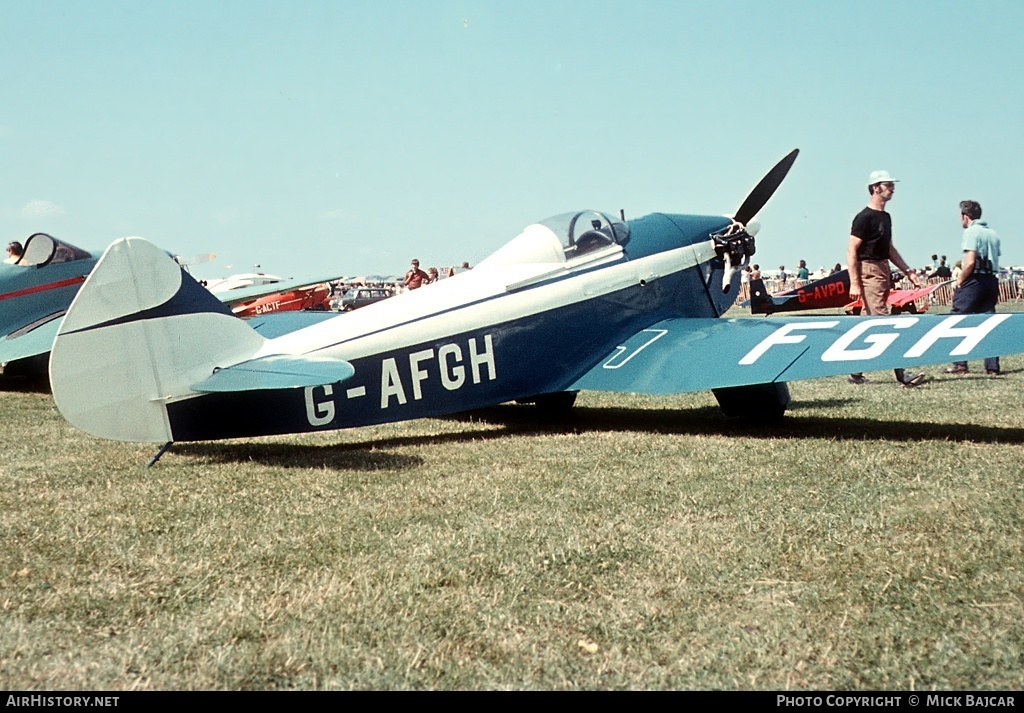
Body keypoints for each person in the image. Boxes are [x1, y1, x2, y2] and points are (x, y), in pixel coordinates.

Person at [847, 170, 924, 387]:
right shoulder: (864, 217)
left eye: (892, 185)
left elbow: (889, 248)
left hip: (882, 269)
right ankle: (902, 373)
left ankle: (854, 373)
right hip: (869, 270)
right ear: (875, 188)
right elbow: (852, 249)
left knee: (868, 321)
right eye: (888, 185)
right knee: (882, 320)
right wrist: (854, 281)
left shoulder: (885, 217)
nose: (892, 189)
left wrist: (908, 270)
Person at [944, 200, 1001, 375]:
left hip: (974, 279)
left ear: (964, 216)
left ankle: (959, 363)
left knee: (958, 318)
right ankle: (992, 366)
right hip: (991, 279)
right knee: (988, 321)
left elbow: (970, 261)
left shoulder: (971, 232)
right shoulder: (993, 234)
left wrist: (961, 279)